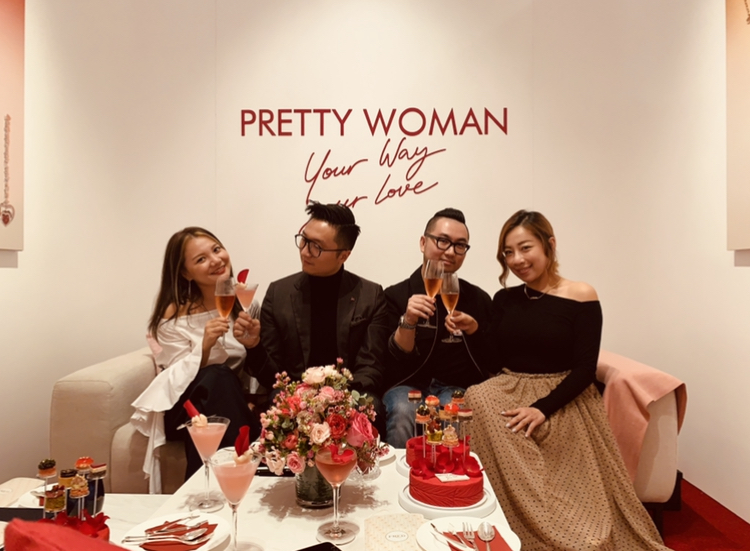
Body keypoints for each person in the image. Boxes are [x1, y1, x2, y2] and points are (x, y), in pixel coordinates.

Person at [465, 210, 671, 551]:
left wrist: (541, 409)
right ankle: (513, 519)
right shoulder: (503, 299)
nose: (517, 260)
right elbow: (494, 363)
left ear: (549, 244)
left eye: (525, 248)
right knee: (476, 396)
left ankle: (562, 529)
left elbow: (585, 369)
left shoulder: (581, 294)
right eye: (508, 252)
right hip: (511, 387)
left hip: (562, 396)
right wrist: (475, 331)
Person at [243, 202, 390, 435]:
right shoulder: (278, 293)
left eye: (316, 247)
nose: (305, 251)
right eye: (304, 240)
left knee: (371, 408)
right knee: (276, 407)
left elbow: (371, 368)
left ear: (344, 255)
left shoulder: (370, 295)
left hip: (351, 393)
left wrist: (331, 398)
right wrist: (253, 346)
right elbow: (272, 375)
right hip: (293, 393)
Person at [130, 227, 259, 491]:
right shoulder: (174, 314)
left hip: (228, 402)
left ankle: (205, 488)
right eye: (201, 259)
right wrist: (204, 347)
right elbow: (177, 376)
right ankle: (243, 478)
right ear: (185, 273)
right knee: (218, 375)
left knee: (226, 387)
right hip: (184, 407)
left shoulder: (244, 303)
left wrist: (254, 344)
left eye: (216, 249)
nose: (215, 260)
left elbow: (255, 368)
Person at [383, 208, 492, 448]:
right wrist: (408, 320)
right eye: (442, 241)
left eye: (460, 245)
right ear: (423, 243)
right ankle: (403, 471)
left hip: (452, 386)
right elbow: (393, 360)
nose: (450, 252)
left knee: (454, 409)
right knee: (403, 409)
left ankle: (448, 471)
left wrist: (474, 329)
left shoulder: (477, 299)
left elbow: (490, 360)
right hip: (407, 385)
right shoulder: (395, 295)